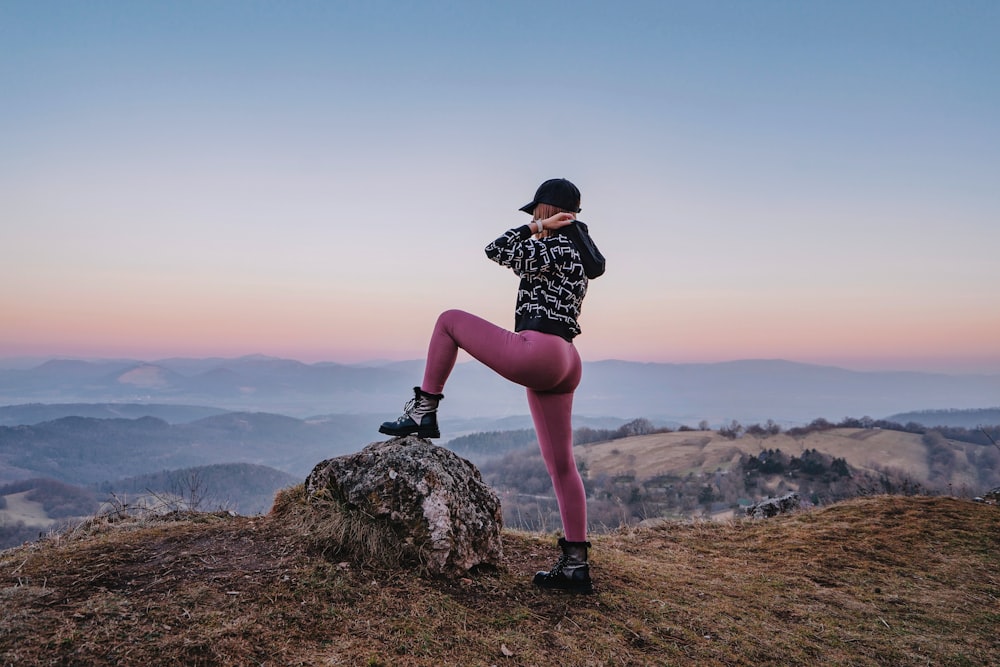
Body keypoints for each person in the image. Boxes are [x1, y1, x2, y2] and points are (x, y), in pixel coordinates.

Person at [378, 177, 605, 594]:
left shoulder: (550, 243)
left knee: (448, 321)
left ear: (546, 211)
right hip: (568, 359)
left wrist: (540, 227)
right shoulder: (578, 252)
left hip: (539, 349)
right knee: (562, 466)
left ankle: (424, 409)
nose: (531, 219)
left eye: (535, 213)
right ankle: (575, 566)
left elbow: (495, 249)